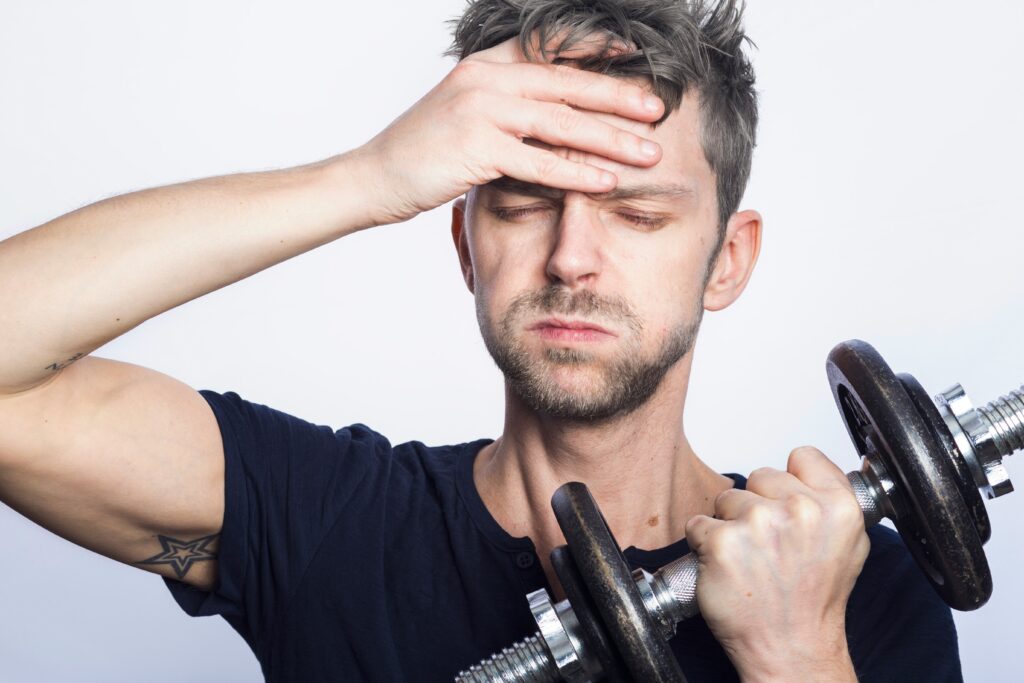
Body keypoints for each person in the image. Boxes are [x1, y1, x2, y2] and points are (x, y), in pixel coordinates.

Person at [0, 0, 961, 681]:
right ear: (466, 242)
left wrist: (796, 655)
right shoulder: (332, 523)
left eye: (636, 214)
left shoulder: (849, 587)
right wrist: (368, 176)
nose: (571, 258)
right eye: (523, 203)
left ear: (727, 260)